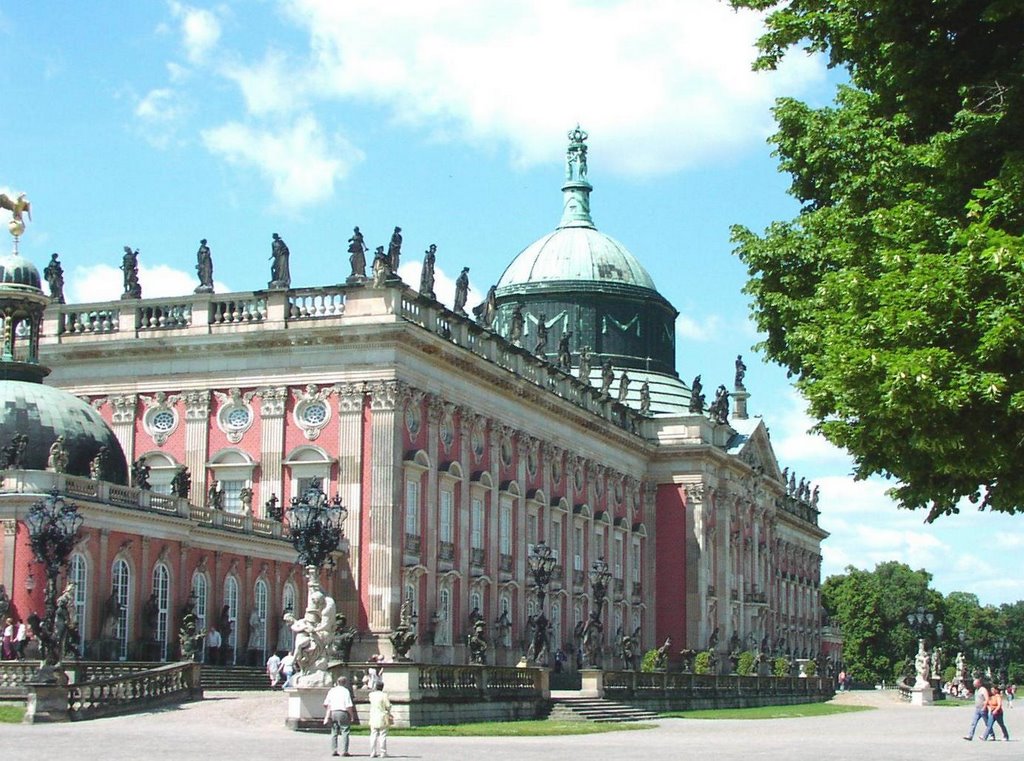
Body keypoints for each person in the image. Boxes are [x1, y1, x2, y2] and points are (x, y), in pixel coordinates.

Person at [323, 674, 355, 757]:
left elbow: (326, 704)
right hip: (343, 712)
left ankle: (334, 749)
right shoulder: (345, 691)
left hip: (333, 711)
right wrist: (351, 716)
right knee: (345, 731)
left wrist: (328, 713)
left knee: (334, 731)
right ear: (345, 683)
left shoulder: (332, 690)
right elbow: (348, 705)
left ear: (337, 682)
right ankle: (345, 750)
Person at [367, 678, 393, 758]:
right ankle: (383, 752)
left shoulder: (371, 695)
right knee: (383, 735)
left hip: (373, 716)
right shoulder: (384, 695)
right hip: (382, 716)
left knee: (373, 735)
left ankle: (373, 752)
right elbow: (388, 706)